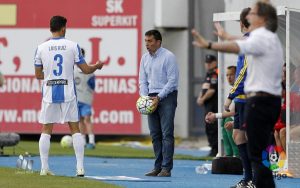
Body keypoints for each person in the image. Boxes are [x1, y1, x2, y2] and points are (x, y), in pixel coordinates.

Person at [191, 1, 283, 187]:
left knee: (257, 153)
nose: (249, 16)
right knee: (258, 152)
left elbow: (237, 46)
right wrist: (226, 36)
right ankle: (254, 181)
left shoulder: (263, 37)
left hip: (261, 101)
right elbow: (242, 43)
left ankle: (254, 181)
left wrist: (210, 44)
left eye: (253, 13)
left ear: (262, 19)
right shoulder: (266, 37)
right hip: (266, 101)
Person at [34, 15, 104, 177]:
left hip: (49, 93)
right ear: (64, 28)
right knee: (75, 129)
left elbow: (38, 75)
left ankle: (44, 168)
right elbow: (86, 70)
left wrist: (51, 76)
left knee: (46, 129)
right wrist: (97, 66)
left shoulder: (41, 48)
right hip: (68, 92)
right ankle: (80, 168)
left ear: (51, 27)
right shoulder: (73, 46)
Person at [139, 29, 179, 177]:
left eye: (149, 41)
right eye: (146, 41)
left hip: (167, 96)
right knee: (155, 134)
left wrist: (159, 97)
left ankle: (166, 168)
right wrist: (145, 97)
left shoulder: (169, 57)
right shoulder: (144, 58)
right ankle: (157, 167)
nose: (147, 44)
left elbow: (173, 81)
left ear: (158, 42)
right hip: (150, 97)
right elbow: (142, 80)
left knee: (167, 133)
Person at [205, 66, 239, 157]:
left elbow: (233, 112)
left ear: (238, 76)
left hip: (248, 121)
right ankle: (229, 154)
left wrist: (215, 115)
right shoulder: (233, 90)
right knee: (224, 121)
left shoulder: (239, 89)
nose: (229, 77)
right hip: (242, 119)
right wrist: (215, 115)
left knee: (228, 121)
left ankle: (237, 155)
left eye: (231, 75)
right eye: (227, 75)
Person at [74, 48, 96, 149]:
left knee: (87, 118)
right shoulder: (72, 70)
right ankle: (82, 141)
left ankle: (91, 141)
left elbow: (92, 84)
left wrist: (89, 93)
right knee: (80, 120)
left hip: (86, 99)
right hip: (76, 99)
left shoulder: (89, 70)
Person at [197, 54, 218, 157]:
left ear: (215, 62)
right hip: (207, 104)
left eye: (210, 62)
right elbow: (204, 88)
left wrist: (202, 98)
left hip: (213, 104)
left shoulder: (215, 74)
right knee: (208, 126)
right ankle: (213, 147)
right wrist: (200, 97)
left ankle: (215, 149)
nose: (208, 65)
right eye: (207, 63)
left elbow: (212, 90)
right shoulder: (208, 74)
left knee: (212, 127)